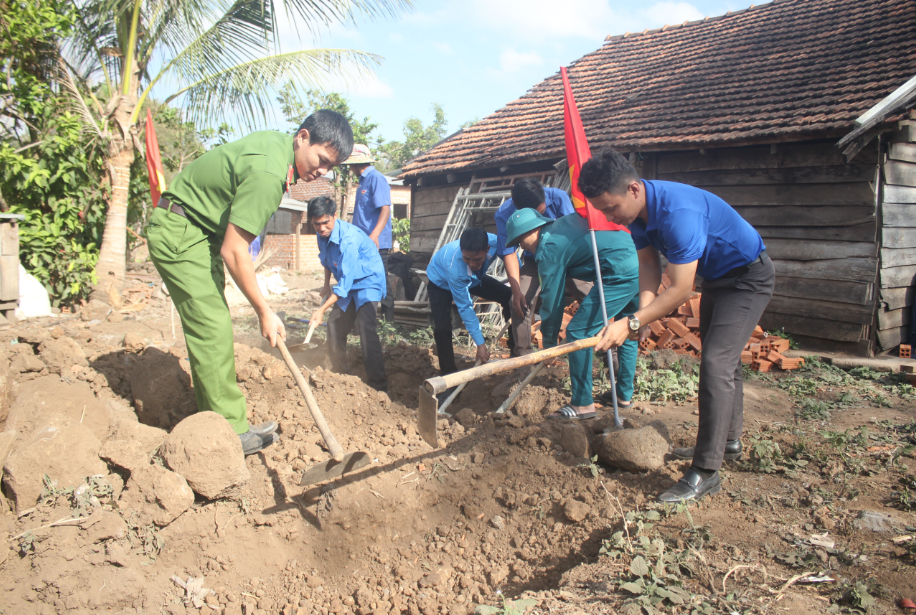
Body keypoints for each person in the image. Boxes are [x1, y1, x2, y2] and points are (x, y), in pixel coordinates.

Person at [148, 110, 354, 456]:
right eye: (321, 159)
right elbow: (234, 250)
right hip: (182, 233)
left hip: (196, 234)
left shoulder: (277, 149)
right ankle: (230, 430)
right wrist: (264, 310)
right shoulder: (269, 174)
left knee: (211, 323)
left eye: (331, 166)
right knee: (211, 325)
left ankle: (219, 420)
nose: (322, 171)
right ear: (303, 137)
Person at [579, 148, 775, 502]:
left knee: (716, 362)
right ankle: (727, 443)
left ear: (634, 190)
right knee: (722, 362)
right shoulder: (636, 215)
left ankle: (706, 471)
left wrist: (631, 321)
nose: (610, 217)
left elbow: (683, 287)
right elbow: (649, 265)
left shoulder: (677, 213)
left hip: (747, 278)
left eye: (611, 208)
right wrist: (642, 312)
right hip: (719, 278)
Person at [505, 209, 639, 420]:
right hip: (636, 261)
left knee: (578, 331)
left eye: (519, 240)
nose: (521, 246)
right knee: (629, 327)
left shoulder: (549, 247)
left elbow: (552, 299)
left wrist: (550, 346)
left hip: (618, 273)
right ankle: (623, 395)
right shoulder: (560, 227)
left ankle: (583, 404)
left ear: (530, 232)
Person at [494, 179, 591, 356]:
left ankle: (610, 349)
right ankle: (523, 356)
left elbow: (574, 232)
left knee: (590, 294)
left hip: (565, 257)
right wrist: (516, 291)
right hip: (533, 261)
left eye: (544, 209)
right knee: (519, 300)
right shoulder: (504, 214)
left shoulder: (559, 198)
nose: (545, 207)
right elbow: (509, 253)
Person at [308, 196, 389, 392]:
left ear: (334, 216)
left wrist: (321, 311)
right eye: (317, 224)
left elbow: (343, 286)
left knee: (366, 328)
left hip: (368, 279)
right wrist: (326, 284)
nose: (322, 228)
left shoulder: (349, 240)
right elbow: (327, 260)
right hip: (349, 281)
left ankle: (379, 386)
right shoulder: (322, 235)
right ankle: (341, 377)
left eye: (326, 223)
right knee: (335, 325)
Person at [425, 227, 513, 401]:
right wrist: (480, 344)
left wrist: (519, 285)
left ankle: (517, 351)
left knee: (508, 296)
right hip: (440, 283)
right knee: (442, 328)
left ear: (487, 250)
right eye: (468, 259)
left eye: (477, 259)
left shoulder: (495, 242)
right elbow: (465, 307)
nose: (472, 263)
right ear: (462, 252)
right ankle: (449, 378)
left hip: (472, 278)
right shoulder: (455, 268)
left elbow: (511, 258)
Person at [341, 144, 395, 322]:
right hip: (362, 243)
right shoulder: (362, 182)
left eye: (350, 165)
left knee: (381, 282)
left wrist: (375, 235)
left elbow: (385, 210)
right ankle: (362, 322)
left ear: (356, 164)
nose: (350, 168)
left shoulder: (375, 178)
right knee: (361, 280)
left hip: (375, 243)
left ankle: (389, 325)